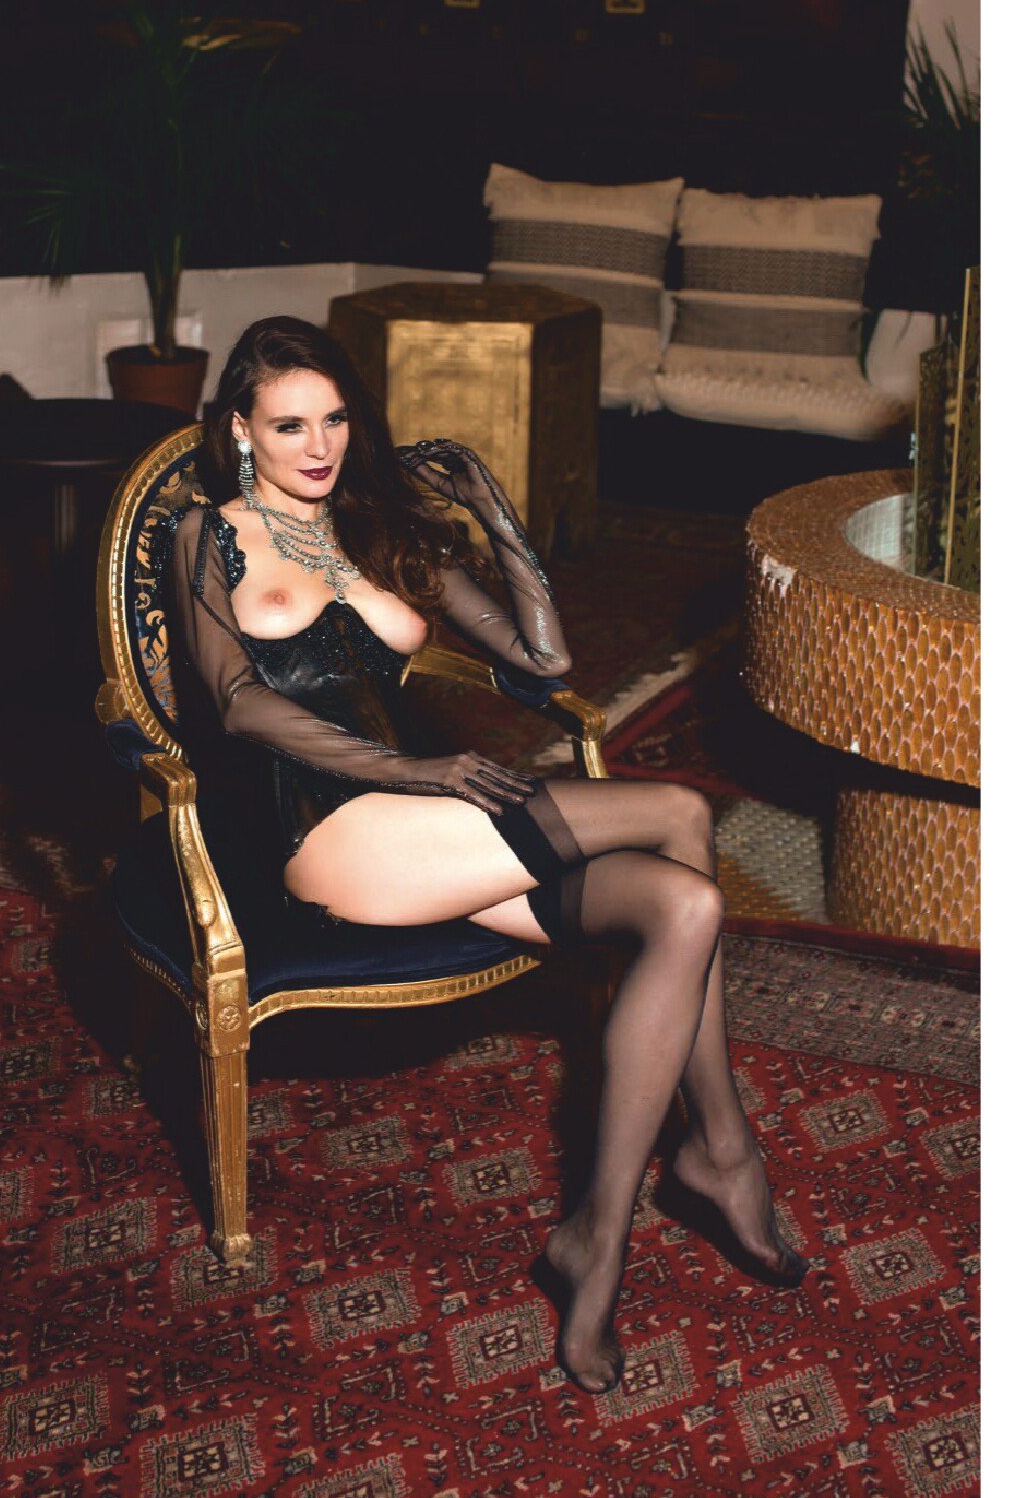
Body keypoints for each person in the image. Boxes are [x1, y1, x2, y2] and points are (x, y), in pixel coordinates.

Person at [160, 316, 807, 1395]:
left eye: (334, 419)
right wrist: (415, 771)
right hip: (334, 835)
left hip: (435, 834)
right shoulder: (205, 536)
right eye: (289, 425)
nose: (318, 445)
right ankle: (720, 1155)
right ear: (240, 429)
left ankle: (605, 1227)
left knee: (687, 902)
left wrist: (492, 510)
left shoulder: (376, 529)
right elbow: (237, 705)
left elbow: (542, 658)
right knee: (678, 815)